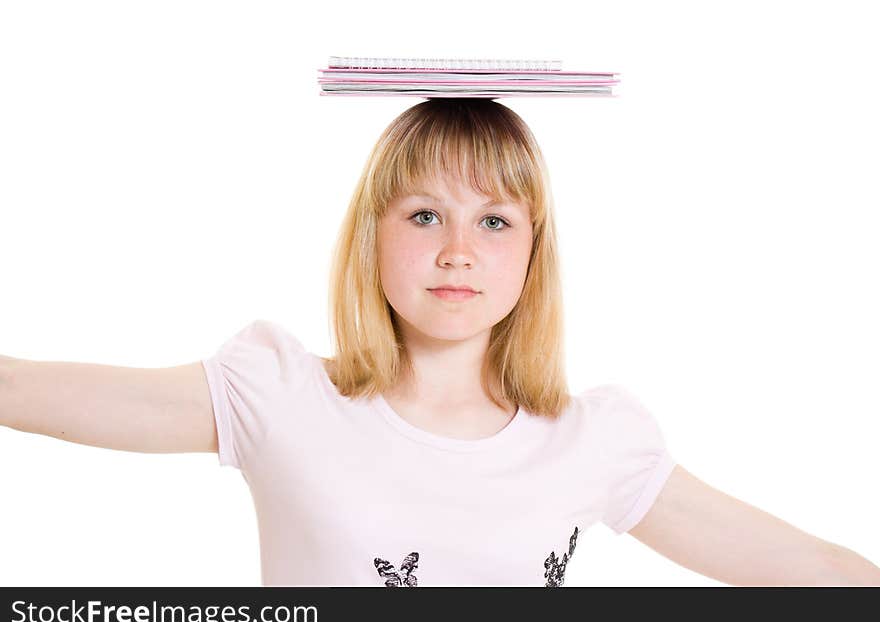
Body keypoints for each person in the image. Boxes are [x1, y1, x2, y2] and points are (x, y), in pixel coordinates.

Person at [1, 99, 878, 586]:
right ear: (372, 235)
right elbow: (51, 396)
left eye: (494, 220)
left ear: (533, 253)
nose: (459, 248)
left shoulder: (598, 441)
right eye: (425, 214)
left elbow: (814, 572)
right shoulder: (278, 393)